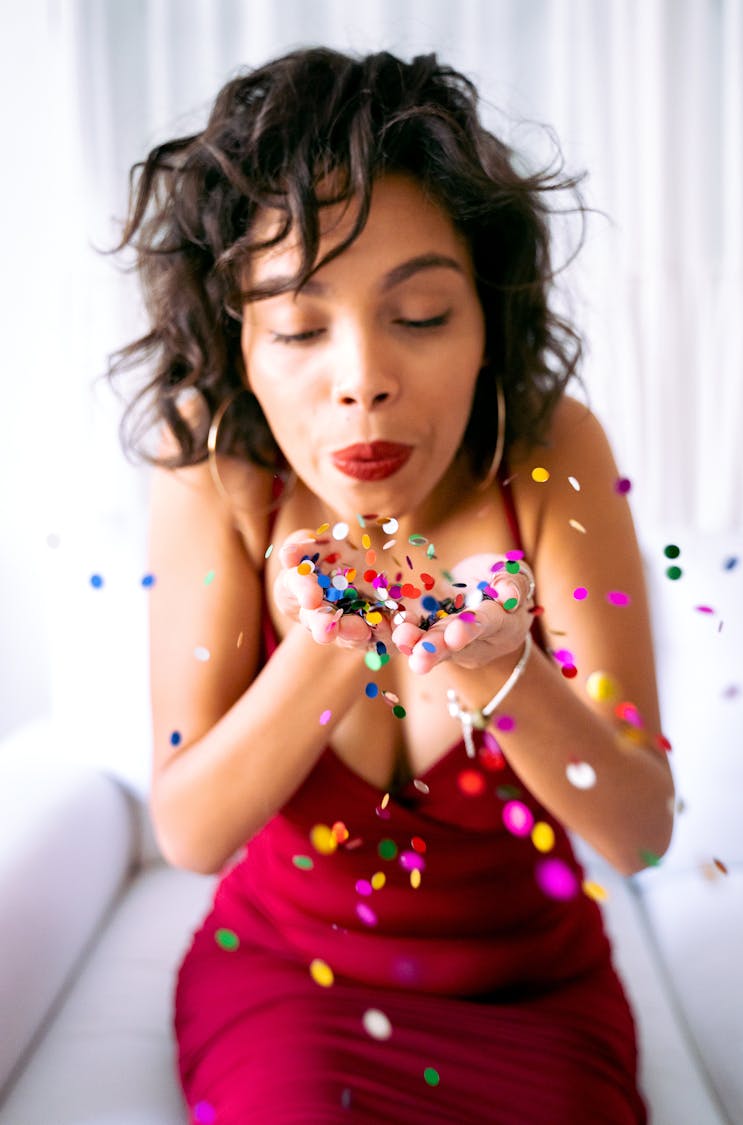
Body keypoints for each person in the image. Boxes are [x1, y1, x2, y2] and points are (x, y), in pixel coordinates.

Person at [111, 46, 674, 1124]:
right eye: (298, 328)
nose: (362, 375)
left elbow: (641, 832)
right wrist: (334, 635)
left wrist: (504, 669)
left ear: (485, 330)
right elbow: (190, 835)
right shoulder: (218, 476)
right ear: (240, 342)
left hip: (535, 1000)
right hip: (290, 996)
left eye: (420, 316)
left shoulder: (550, 455)